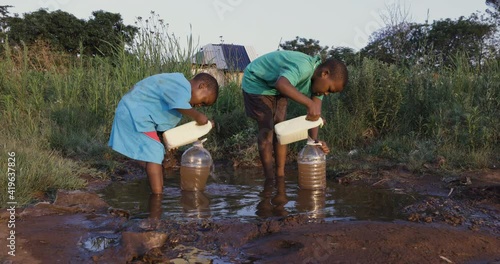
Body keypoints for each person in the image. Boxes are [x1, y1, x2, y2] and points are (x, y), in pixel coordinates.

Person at [242, 50, 348, 179]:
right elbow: (281, 84)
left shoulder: (319, 87)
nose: (326, 94)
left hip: (275, 86)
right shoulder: (304, 67)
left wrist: (314, 142)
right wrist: (309, 104)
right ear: (324, 73)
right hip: (257, 80)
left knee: (282, 130)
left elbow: (313, 117)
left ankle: (280, 175)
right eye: (329, 90)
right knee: (267, 129)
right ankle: (269, 178)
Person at [108, 72, 219, 194]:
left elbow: (164, 118)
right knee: (154, 152)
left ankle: (159, 187)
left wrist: (172, 141)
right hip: (134, 111)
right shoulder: (181, 85)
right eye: (203, 102)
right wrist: (197, 116)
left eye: (202, 106)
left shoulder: (179, 92)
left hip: (136, 112)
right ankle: (158, 196)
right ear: (202, 86)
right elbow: (178, 104)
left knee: (155, 154)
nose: (199, 105)